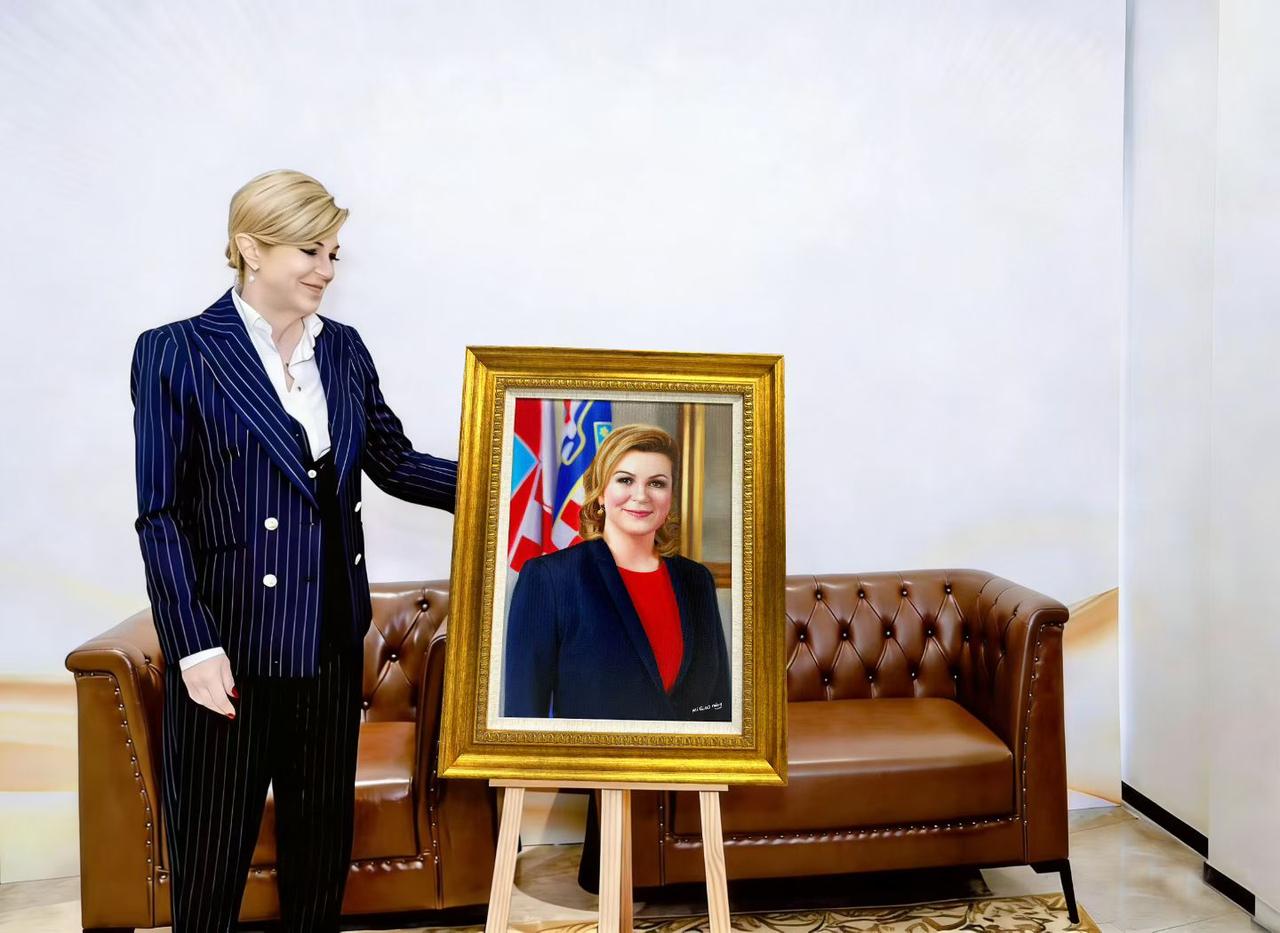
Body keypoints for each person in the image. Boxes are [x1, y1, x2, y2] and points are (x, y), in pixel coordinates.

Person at [130, 169, 456, 932]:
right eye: (310, 250)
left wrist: (520, 483)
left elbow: (396, 462)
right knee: (211, 864)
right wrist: (193, 645)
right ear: (251, 248)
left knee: (319, 861)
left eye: (333, 253)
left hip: (330, 643)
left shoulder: (341, 350)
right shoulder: (176, 351)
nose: (326, 269)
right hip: (229, 651)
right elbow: (161, 515)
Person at [503, 423, 731, 722]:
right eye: (625, 480)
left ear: (670, 495)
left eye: (657, 483)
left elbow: (717, 706)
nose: (641, 496)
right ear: (600, 493)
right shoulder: (549, 578)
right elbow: (523, 714)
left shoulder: (696, 579)